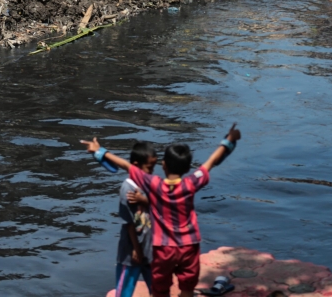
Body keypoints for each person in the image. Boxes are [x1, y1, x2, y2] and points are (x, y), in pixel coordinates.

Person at [81, 124, 241, 297]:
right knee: (187, 288)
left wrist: (100, 151)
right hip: (189, 245)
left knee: (160, 289)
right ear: (187, 169)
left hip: (163, 248)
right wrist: (229, 140)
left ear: (163, 165)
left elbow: (126, 166)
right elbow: (211, 162)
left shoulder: (155, 185)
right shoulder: (191, 183)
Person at [115, 141, 158, 297]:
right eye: (149, 168)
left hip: (149, 248)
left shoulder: (147, 185)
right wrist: (136, 249)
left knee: (158, 289)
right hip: (131, 253)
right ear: (136, 166)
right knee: (124, 291)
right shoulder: (128, 190)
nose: (152, 172)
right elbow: (129, 224)